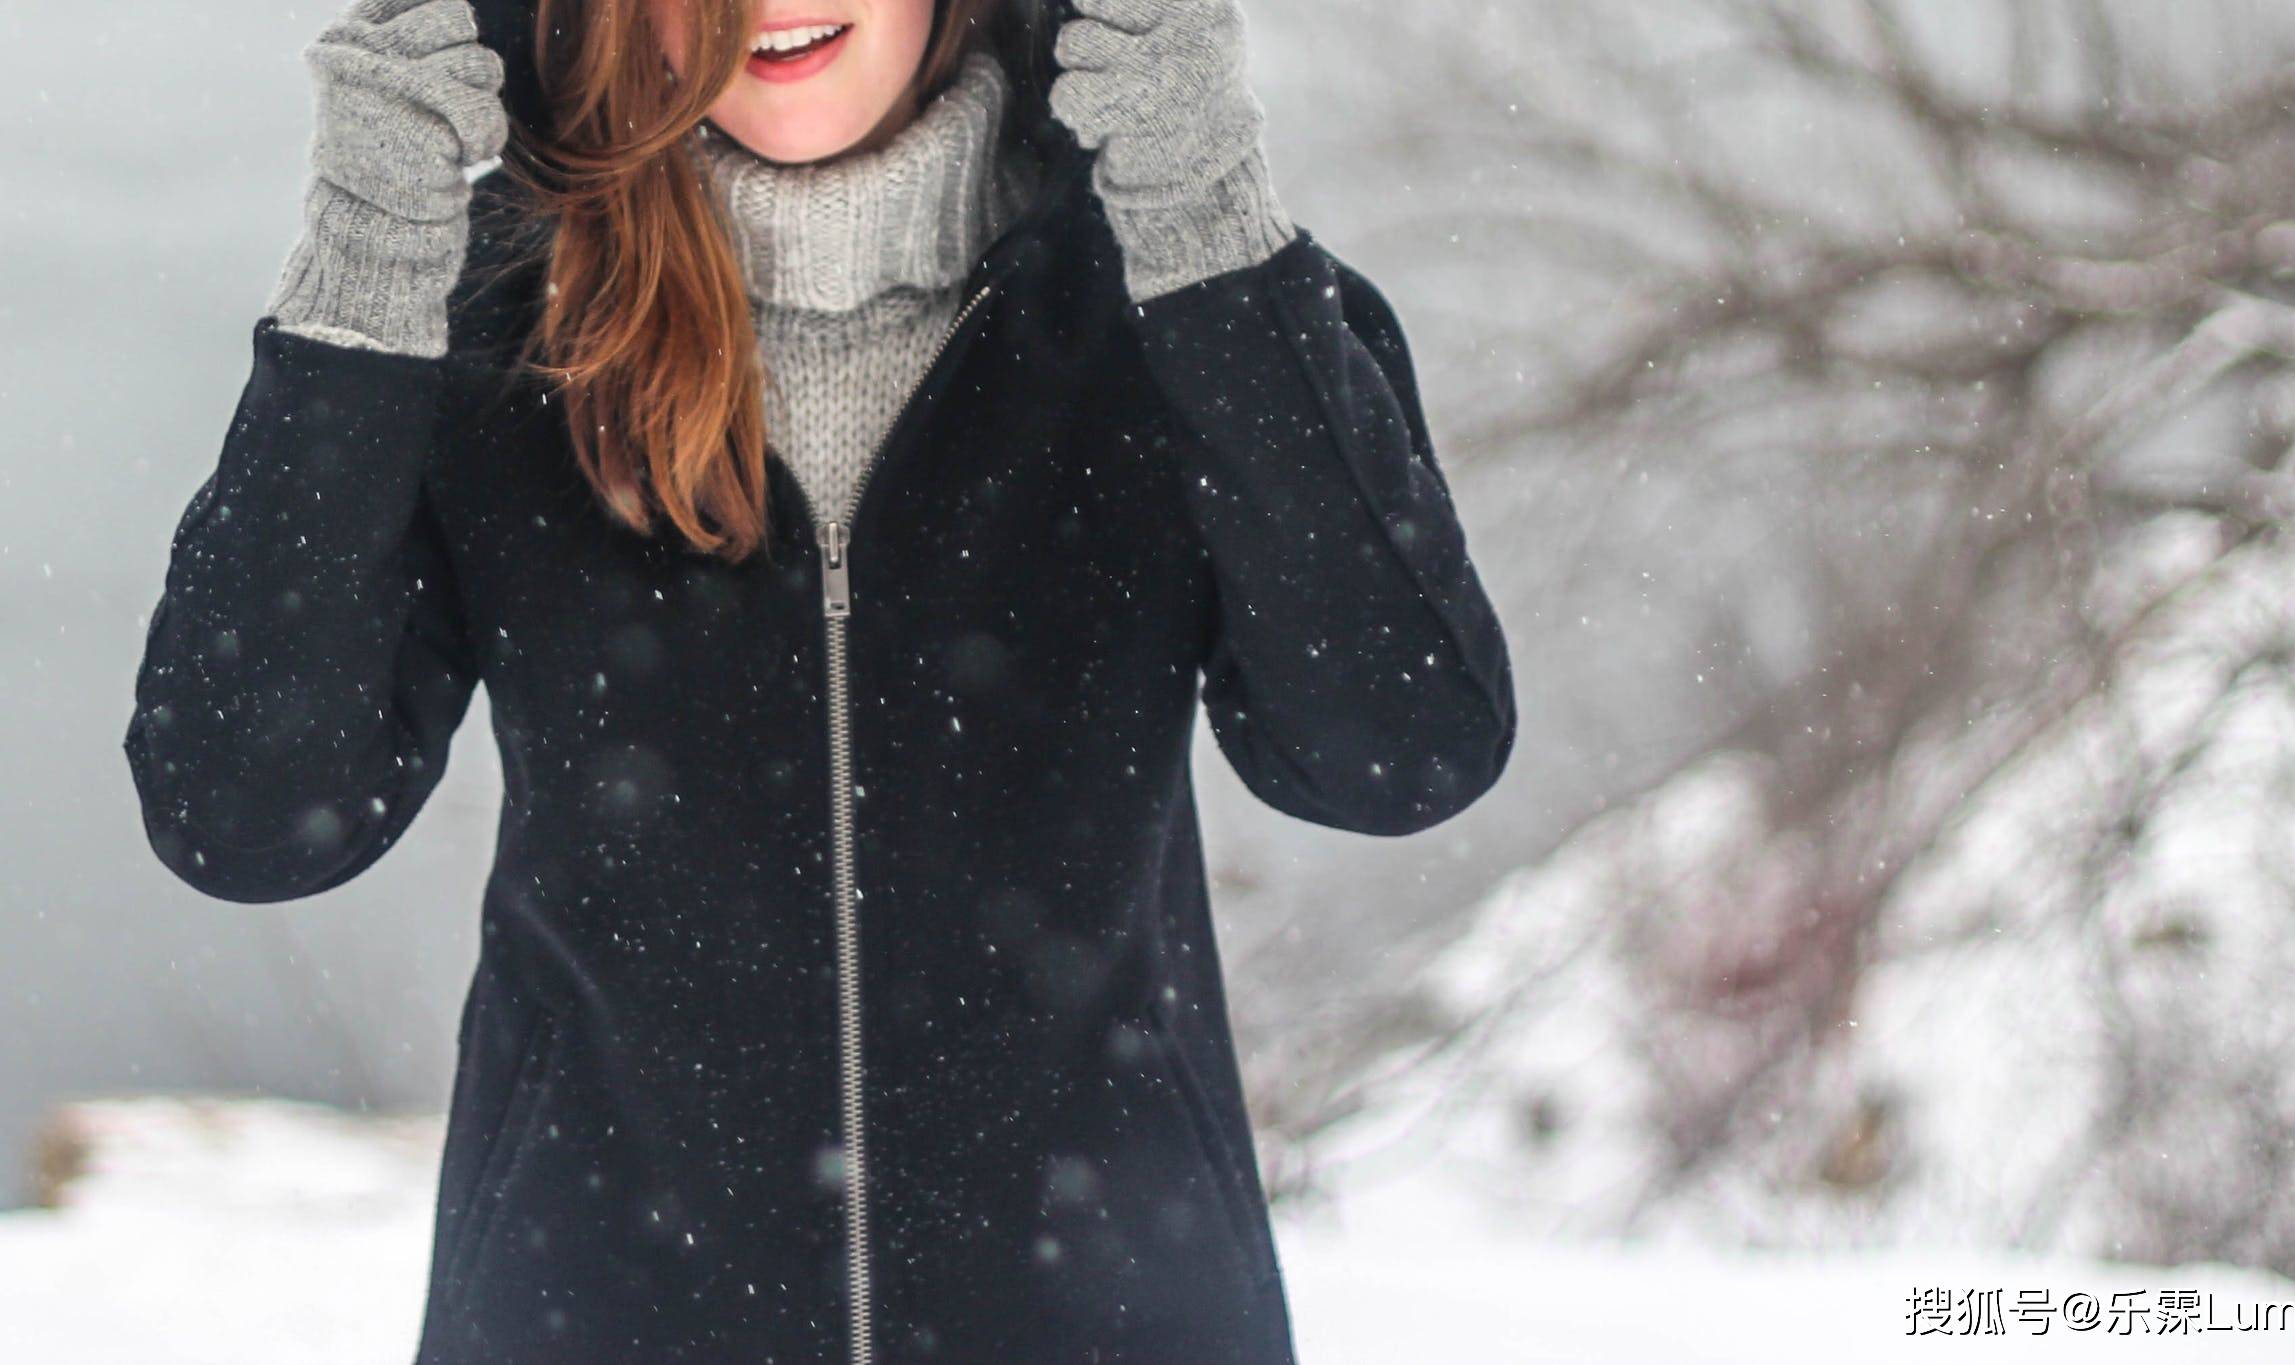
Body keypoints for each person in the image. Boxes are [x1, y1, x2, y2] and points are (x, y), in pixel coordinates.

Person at [119, 0, 1516, 1359]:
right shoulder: (498, 330)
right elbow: (243, 812)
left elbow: (1400, 750)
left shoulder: (1176, 297)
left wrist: (1204, 208)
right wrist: (368, 260)